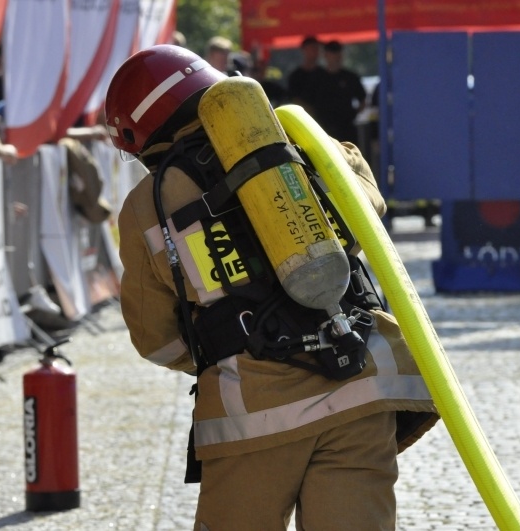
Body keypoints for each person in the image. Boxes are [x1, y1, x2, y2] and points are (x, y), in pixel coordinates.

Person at [105, 45, 437, 530]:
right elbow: (368, 208)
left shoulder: (145, 208)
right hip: (361, 386)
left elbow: (157, 340)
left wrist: (229, 344)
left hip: (253, 416)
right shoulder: (289, 141)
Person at [319, 40, 366, 145]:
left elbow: (362, 100)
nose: (336, 56)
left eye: (338, 53)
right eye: (332, 53)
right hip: (323, 130)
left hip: (346, 129)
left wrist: (353, 114)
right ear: (326, 55)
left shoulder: (350, 78)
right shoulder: (318, 79)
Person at [287, 35, 327, 122]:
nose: (316, 51)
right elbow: (293, 98)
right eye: (312, 48)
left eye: (317, 48)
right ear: (304, 50)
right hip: (304, 121)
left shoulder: (324, 74)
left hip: (324, 121)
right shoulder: (296, 76)